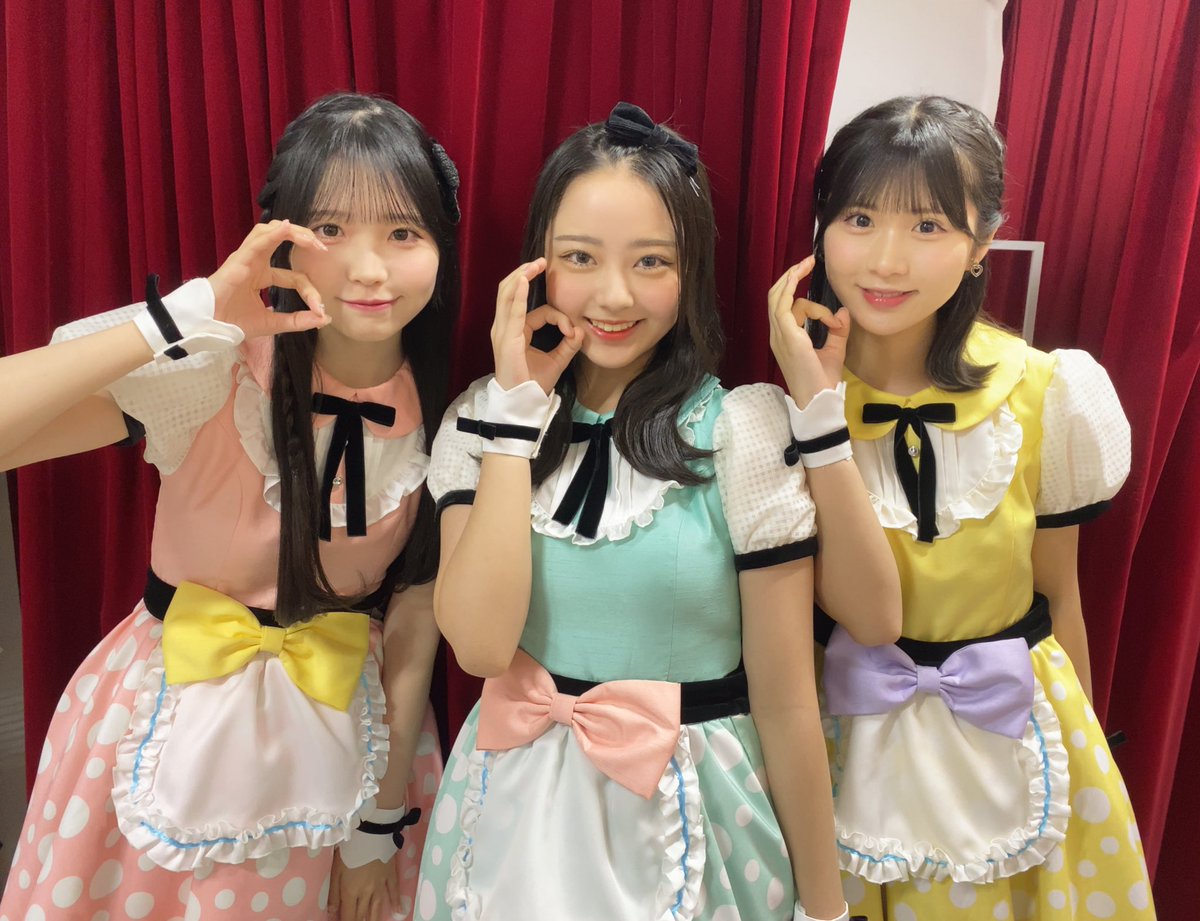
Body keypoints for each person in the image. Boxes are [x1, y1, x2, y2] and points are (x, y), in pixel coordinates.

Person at [414, 101, 897, 921]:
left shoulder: (742, 431)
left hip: (698, 810)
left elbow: (787, 700)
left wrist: (825, 907)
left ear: (691, 270)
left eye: (651, 262)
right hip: (510, 813)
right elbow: (482, 645)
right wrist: (514, 419)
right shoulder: (480, 423)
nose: (613, 295)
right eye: (580, 257)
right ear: (538, 264)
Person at [0, 93, 455, 921]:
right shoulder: (216, 368)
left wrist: (378, 826)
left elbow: (416, 619)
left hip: (349, 742)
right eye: (330, 229)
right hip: (165, 712)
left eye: (402, 232)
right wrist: (189, 312)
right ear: (280, 235)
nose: (369, 269)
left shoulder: (450, 419)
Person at [778, 95, 1156, 919]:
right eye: (859, 218)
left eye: (928, 225)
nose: (886, 260)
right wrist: (814, 404)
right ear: (821, 228)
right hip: (846, 735)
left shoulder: (1045, 391)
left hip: (1009, 726)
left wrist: (1082, 757)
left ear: (982, 242)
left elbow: (1059, 596)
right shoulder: (786, 407)